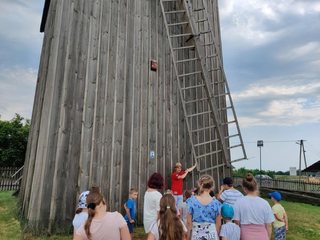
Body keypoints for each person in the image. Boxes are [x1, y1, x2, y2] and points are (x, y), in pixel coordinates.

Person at [233, 173, 274, 240]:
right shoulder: (265, 203)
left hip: (245, 235)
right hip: (262, 236)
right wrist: (268, 237)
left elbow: (237, 222)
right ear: (256, 186)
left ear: (244, 188)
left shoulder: (239, 202)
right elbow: (269, 225)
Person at [187, 175, 222, 240]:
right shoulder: (216, 203)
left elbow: (189, 223)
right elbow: (218, 224)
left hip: (196, 235)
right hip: (211, 235)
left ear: (200, 185)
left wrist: (188, 237)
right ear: (212, 187)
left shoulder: (192, 201)